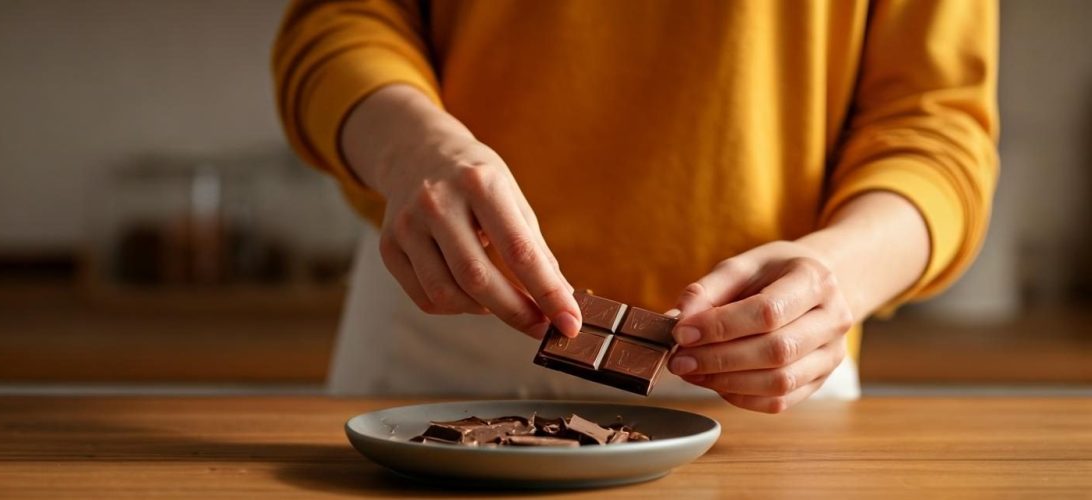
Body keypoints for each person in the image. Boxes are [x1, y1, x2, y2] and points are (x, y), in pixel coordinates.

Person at [272, 0, 997, 412]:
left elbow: (936, 123)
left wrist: (842, 268)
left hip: (776, 360)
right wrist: (411, 148)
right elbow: (342, 20)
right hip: (441, 329)